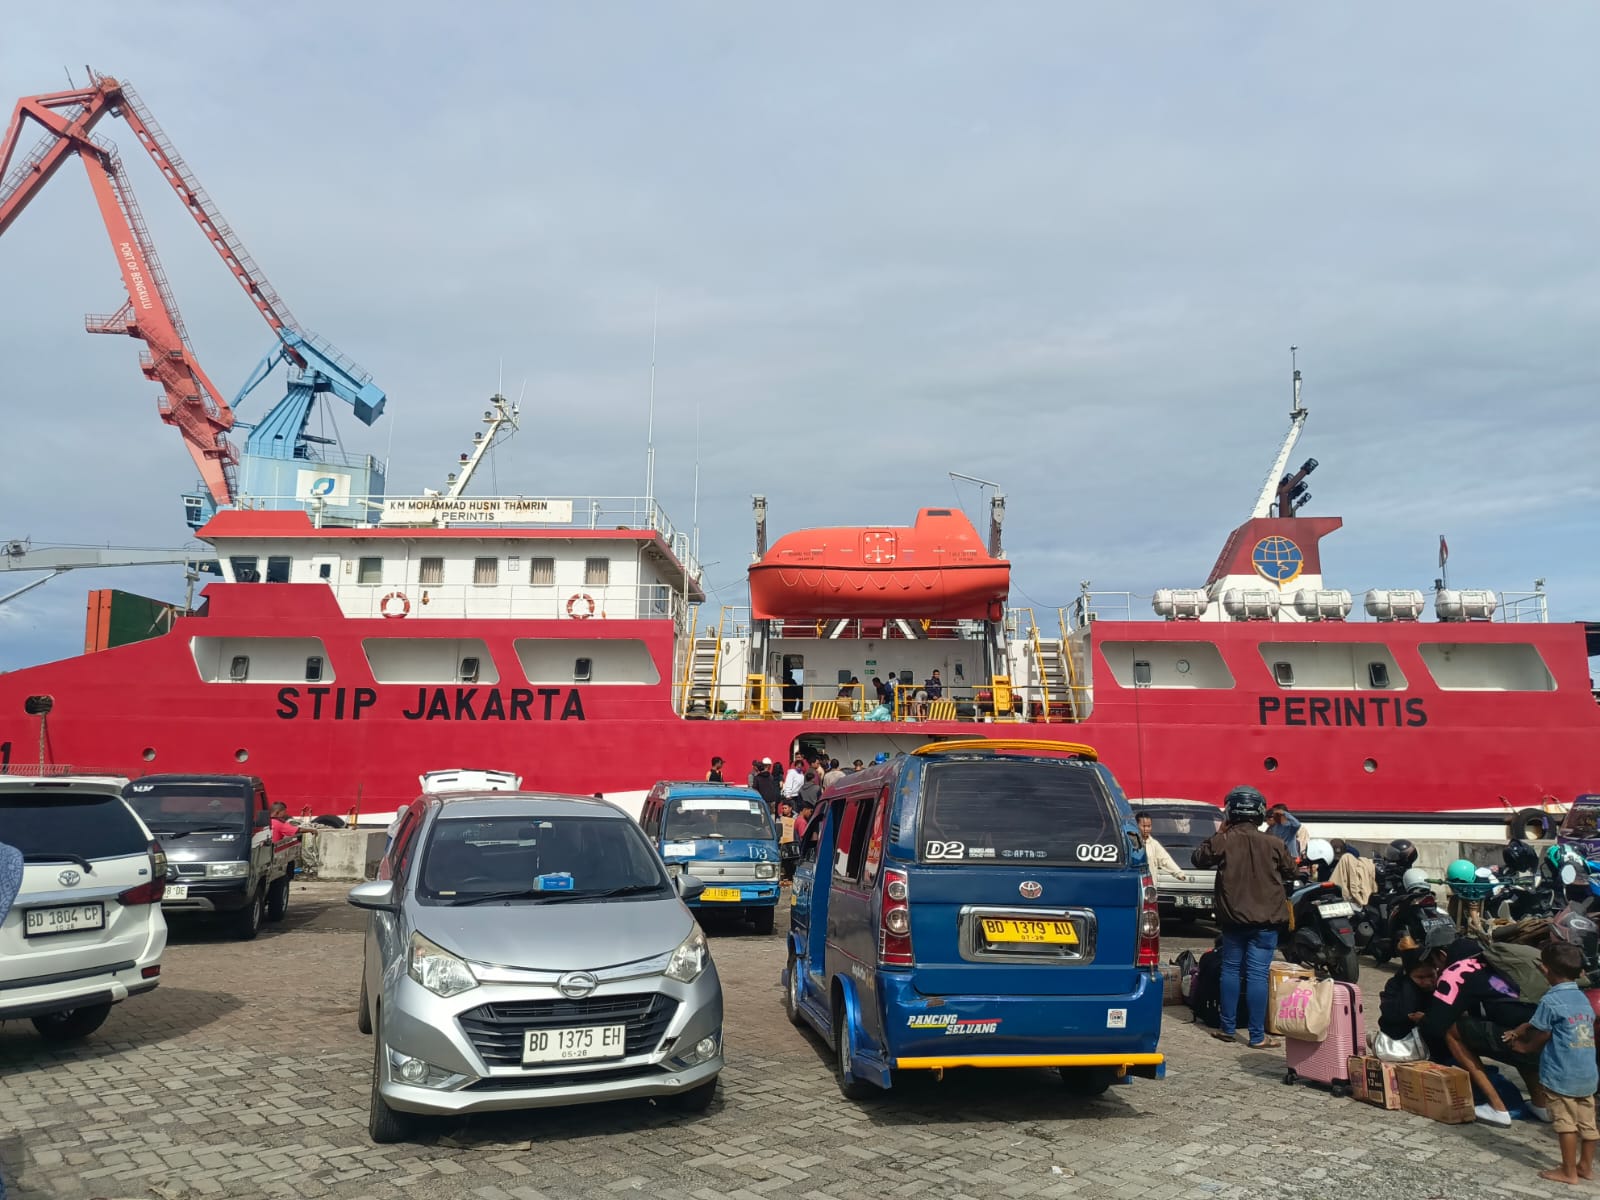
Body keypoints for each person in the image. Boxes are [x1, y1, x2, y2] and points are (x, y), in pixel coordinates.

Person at [1191, 785, 1298, 1049]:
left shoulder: (1224, 841)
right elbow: (1291, 871)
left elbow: (1199, 858)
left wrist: (1220, 832)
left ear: (1229, 813)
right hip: (1266, 921)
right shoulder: (1274, 842)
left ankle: (1227, 1028)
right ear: (1260, 812)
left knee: (1229, 970)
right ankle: (1257, 1036)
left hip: (1233, 920)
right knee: (1257, 975)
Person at [1422, 935, 1548, 1126]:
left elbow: (1435, 1025)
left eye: (1435, 962)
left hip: (1524, 1039)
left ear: (1442, 955)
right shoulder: (1496, 964)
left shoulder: (1457, 970)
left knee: (1453, 1031)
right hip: (1548, 1037)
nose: (1437, 968)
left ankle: (1497, 1107)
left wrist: (1423, 1018)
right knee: (1516, 1030)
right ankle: (1541, 1106)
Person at [1503, 942, 1598, 1183]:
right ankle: (1585, 1166)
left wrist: (1523, 1047)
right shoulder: (1582, 998)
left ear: (1544, 970)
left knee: (1565, 1123)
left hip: (1562, 1074)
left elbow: (1542, 1033)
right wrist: (1521, 1029)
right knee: (1588, 1123)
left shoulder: (1550, 1000)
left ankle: (1567, 1172)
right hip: (1587, 1073)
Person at [1376, 941, 1445, 1054]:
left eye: (1431, 976)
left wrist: (1426, 1020)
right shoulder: (1396, 985)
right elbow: (1389, 1014)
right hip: (1401, 1042)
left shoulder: (1442, 986)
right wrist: (1409, 987)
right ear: (1408, 975)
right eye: (1420, 977)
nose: (1427, 982)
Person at [1136, 813, 1187, 881]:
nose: (1147, 829)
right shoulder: (1130, 842)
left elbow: (1165, 859)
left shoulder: (1154, 844)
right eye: (1144, 826)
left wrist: (1178, 873)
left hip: (1150, 886)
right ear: (1136, 825)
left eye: (1149, 826)